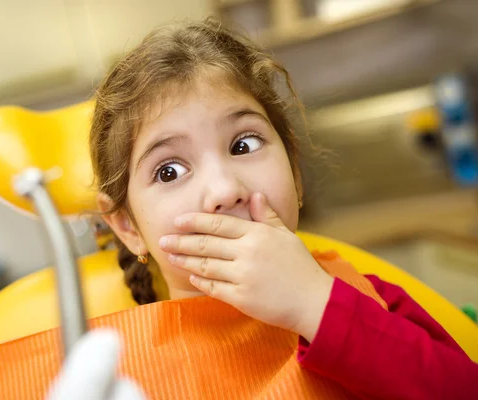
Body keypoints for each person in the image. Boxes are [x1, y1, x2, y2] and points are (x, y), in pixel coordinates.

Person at [86, 17, 478, 399]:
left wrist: (316, 305)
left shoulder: (370, 303)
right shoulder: (115, 377)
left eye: (244, 145)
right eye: (169, 171)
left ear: (294, 168)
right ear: (127, 226)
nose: (225, 189)